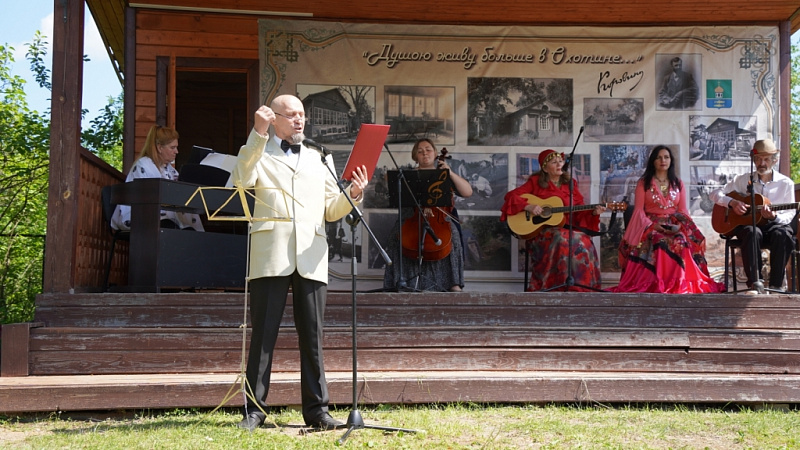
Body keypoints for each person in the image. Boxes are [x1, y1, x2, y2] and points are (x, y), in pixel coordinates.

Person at [232, 94, 369, 431]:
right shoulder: (257, 151)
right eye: (291, 115)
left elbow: (331, 209)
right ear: (274, 118)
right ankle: (254, 410)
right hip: (271, 254)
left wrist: (352, 195)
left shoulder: (319, 157)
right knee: (263, 335)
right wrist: (257, 134)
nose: (298, 120)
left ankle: (318, 412)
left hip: (311, 255)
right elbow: (239, 181)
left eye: (302, 115)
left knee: (313, 337)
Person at [610, 145, 724, 293]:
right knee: (659, 240)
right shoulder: (643, 183)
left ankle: (679, 282)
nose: (663, 160)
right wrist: (653, 226)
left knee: (680, 240)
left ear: (671, 160)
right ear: (653, 161)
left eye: (666, 157)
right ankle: (658, 283)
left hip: (673, 224)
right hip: (650, 224)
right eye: (659, 157)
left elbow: (682, 211)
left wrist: (679, 226)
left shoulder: (678, 183)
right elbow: (638, 211)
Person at [500, 149, 604, 291]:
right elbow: (511, 196)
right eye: (554, 162)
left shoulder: (571, 183)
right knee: (562, 238)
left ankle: (582, 287)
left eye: (560, 161)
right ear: (545, 167)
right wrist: (528, 206)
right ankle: (553, 287)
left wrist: (593, 212)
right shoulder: (535, 182)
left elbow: (578, 210)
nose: (559, 164)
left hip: (569, 231)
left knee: (585, 240)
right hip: (542, 232)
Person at [383, 138, 473, 292]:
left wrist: (449, 172)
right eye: (420, 151)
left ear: (436, 153)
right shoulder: (407, 176)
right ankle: (399, 282)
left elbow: (467, 192)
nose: (424, 153)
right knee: (395, 236)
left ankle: (453, 283)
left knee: (454, 236)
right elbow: (389, 185)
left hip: (439, 221)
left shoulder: (444, 175)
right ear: (415, 156)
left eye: (428, 149)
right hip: (411, 220)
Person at [710, 139, 796, 292]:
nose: (761, 163)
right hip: (749, 227)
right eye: (758, 159)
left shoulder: (786, 183)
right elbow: (715, 194)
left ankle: (776, 285)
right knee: (752, 231)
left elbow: (790, 213)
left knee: (783, 233)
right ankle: (755, 284)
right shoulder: (743, 180)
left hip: (773, 226)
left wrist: (774, 217)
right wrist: (732, 203)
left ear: (774, 160)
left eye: (766, 159)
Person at [110, 125, 204, 232]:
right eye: (172, 148)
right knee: (172, 229)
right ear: (159, 148)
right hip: (142, 218)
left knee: (189, 232)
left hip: (165, 220)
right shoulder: (144, 165)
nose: (176, 151)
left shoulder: (170, 170)